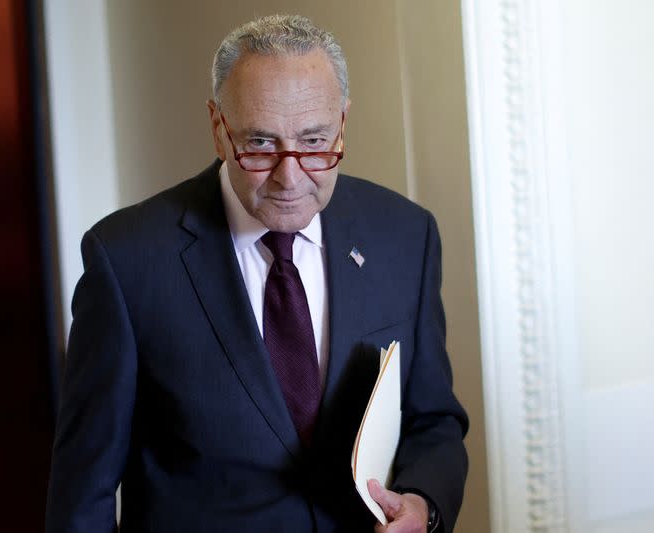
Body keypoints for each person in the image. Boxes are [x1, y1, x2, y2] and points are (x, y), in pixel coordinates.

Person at [46, 14, 468, 533]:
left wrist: (424, 506)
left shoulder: (405, 235)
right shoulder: (126, 260)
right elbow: (81, 494)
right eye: (261, 144)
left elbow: (434, 421)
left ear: (343, 121)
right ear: (218, 128)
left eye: (314, 142)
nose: (290, 177)